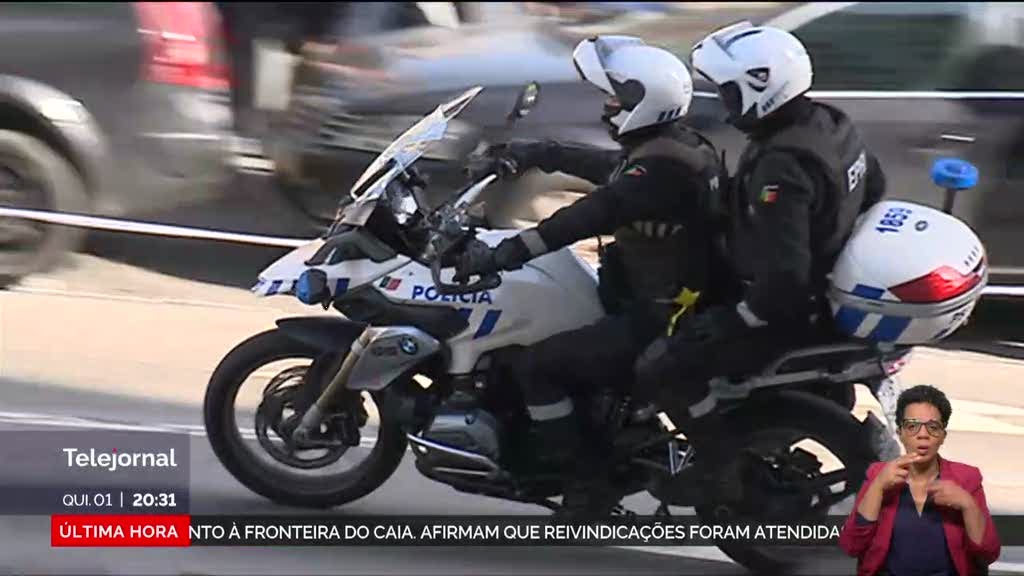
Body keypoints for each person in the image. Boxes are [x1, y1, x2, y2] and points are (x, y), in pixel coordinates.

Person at [632, 21, 888, 503]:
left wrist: (737, 318)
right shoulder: (831, 124)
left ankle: (717, 462)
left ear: (761, 88)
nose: (725, 104)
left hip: (782, 309)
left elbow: (784, 278)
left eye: (729, 92)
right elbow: (874, 185)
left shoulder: (781, 167)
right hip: (815, 287)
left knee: (661, 368)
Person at [454, 36, 724, 478]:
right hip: (664, 295)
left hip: (660, 315)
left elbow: (582, 218)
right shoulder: (677, 146)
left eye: (617, 97)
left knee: (537, 367)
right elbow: (613, 171)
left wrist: (499, 255)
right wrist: (539, 153)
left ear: (644, 102)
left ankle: (582, 477)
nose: (608, 106)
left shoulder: (657, 170)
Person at [839, 385, 1001, 575]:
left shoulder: (966, 478)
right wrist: (877, 488)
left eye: (933, 427)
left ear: (942, 436)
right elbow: (851, 546)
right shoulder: (878, 475)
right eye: (912, 426)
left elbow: (988, 552)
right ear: (900, 433)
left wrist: (968, 506)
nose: (923, 435)